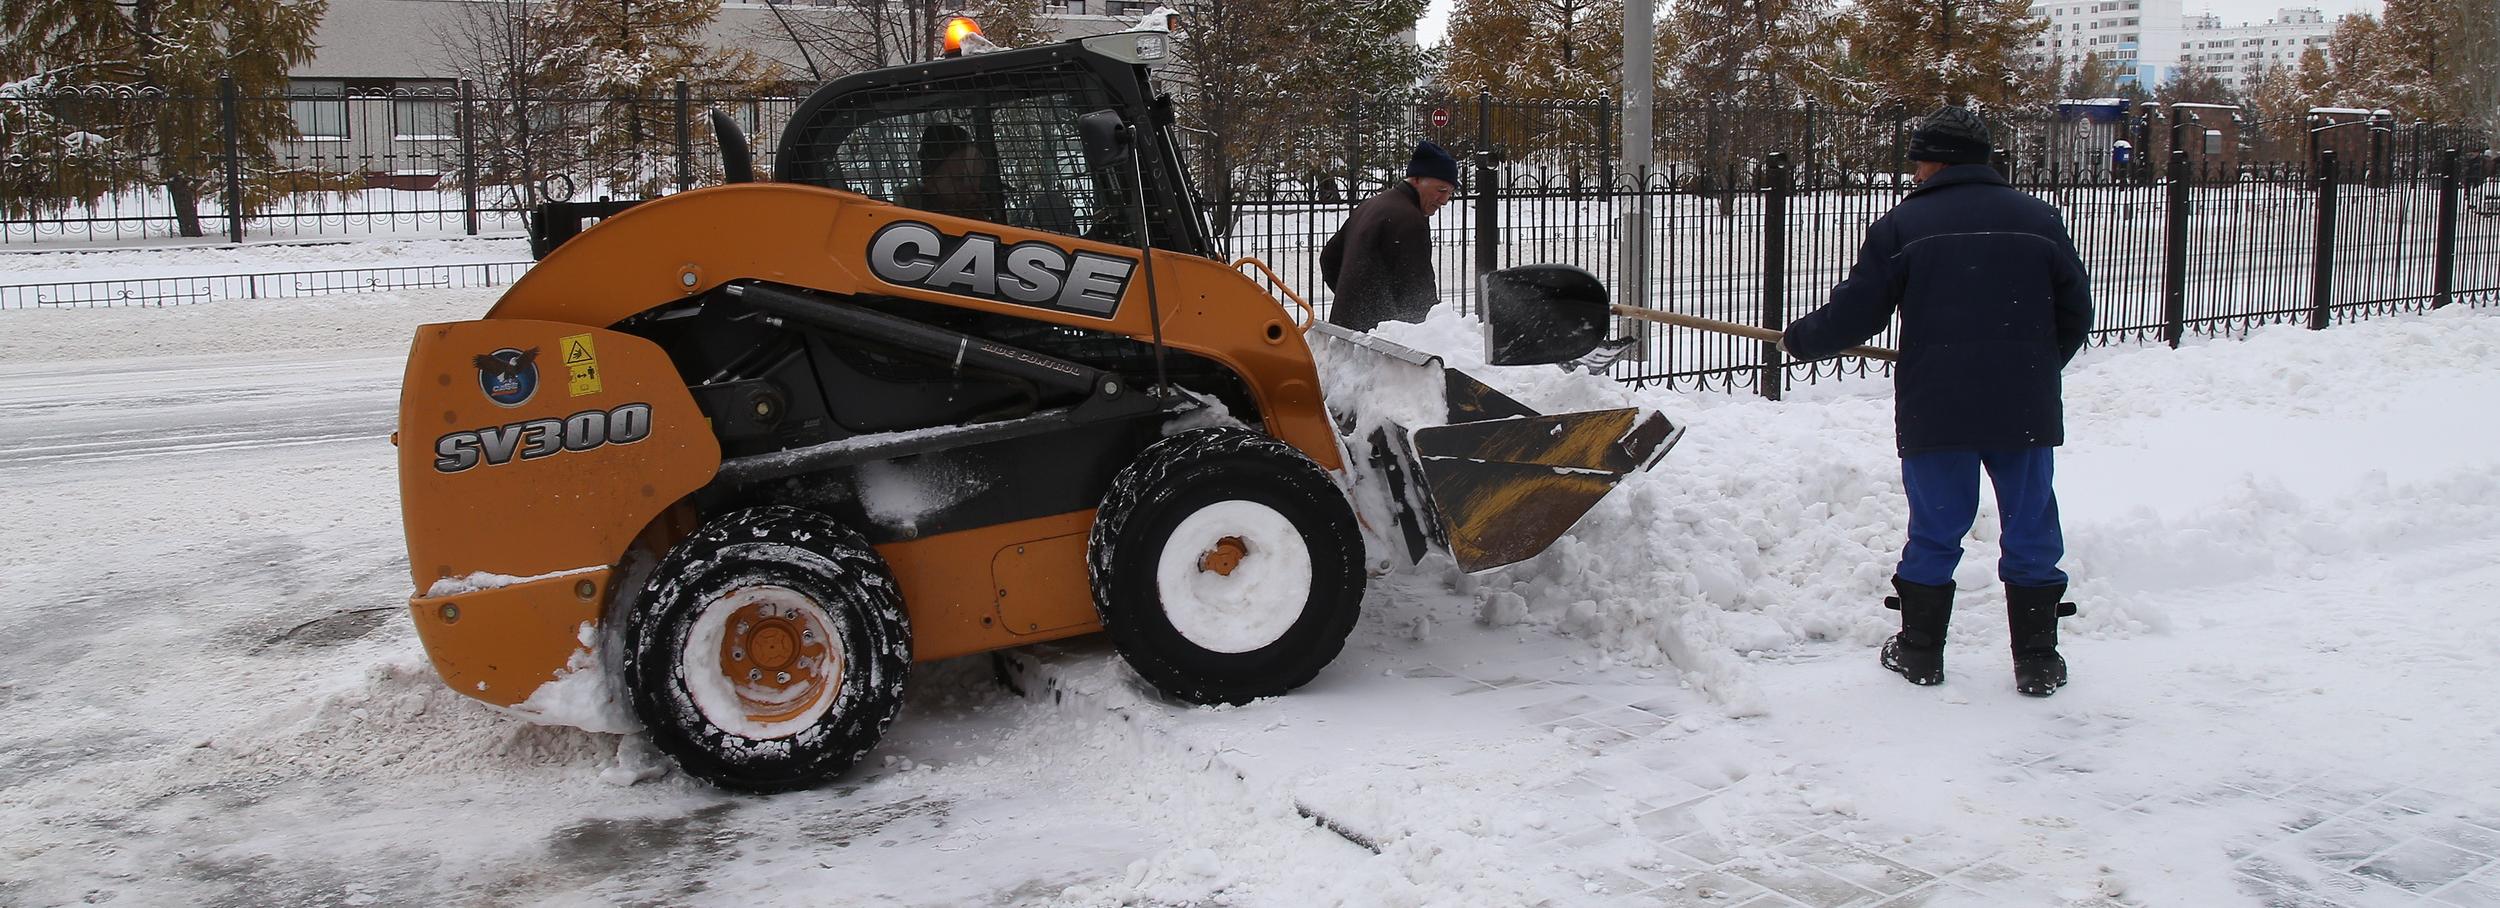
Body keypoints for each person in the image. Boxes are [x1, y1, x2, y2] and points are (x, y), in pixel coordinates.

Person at [1779, 106, 2094, 698]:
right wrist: (2030, 366)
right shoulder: (2039, 219)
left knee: (1937, 524)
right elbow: (2076, 311)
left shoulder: (1905, 225)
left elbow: (1858, 311)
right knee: (2030, 522)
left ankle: (1921, 651)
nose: (1915, 172)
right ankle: (2037, 659)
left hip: (1938, 403)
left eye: (1918, 161)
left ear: (1936, 161)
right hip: (2022, 404)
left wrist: (1802, 339)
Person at [1320, 141, 1459, 332]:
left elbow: (1329, 258)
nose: (1444, 200)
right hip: (1382, 338)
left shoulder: (1373, 204)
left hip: (1347, 331)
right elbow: (1418, 291)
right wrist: (1433, 330)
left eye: (1450, 193)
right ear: (1417, 179)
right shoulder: (1408, 219)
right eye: (1441, 190)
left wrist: (1356, 299)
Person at [901, 123, 1005, 223]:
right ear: (931, 179)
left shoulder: (977, 213)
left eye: (979, 178)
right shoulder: (910, 214)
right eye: (961, 179)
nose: (976, 190)